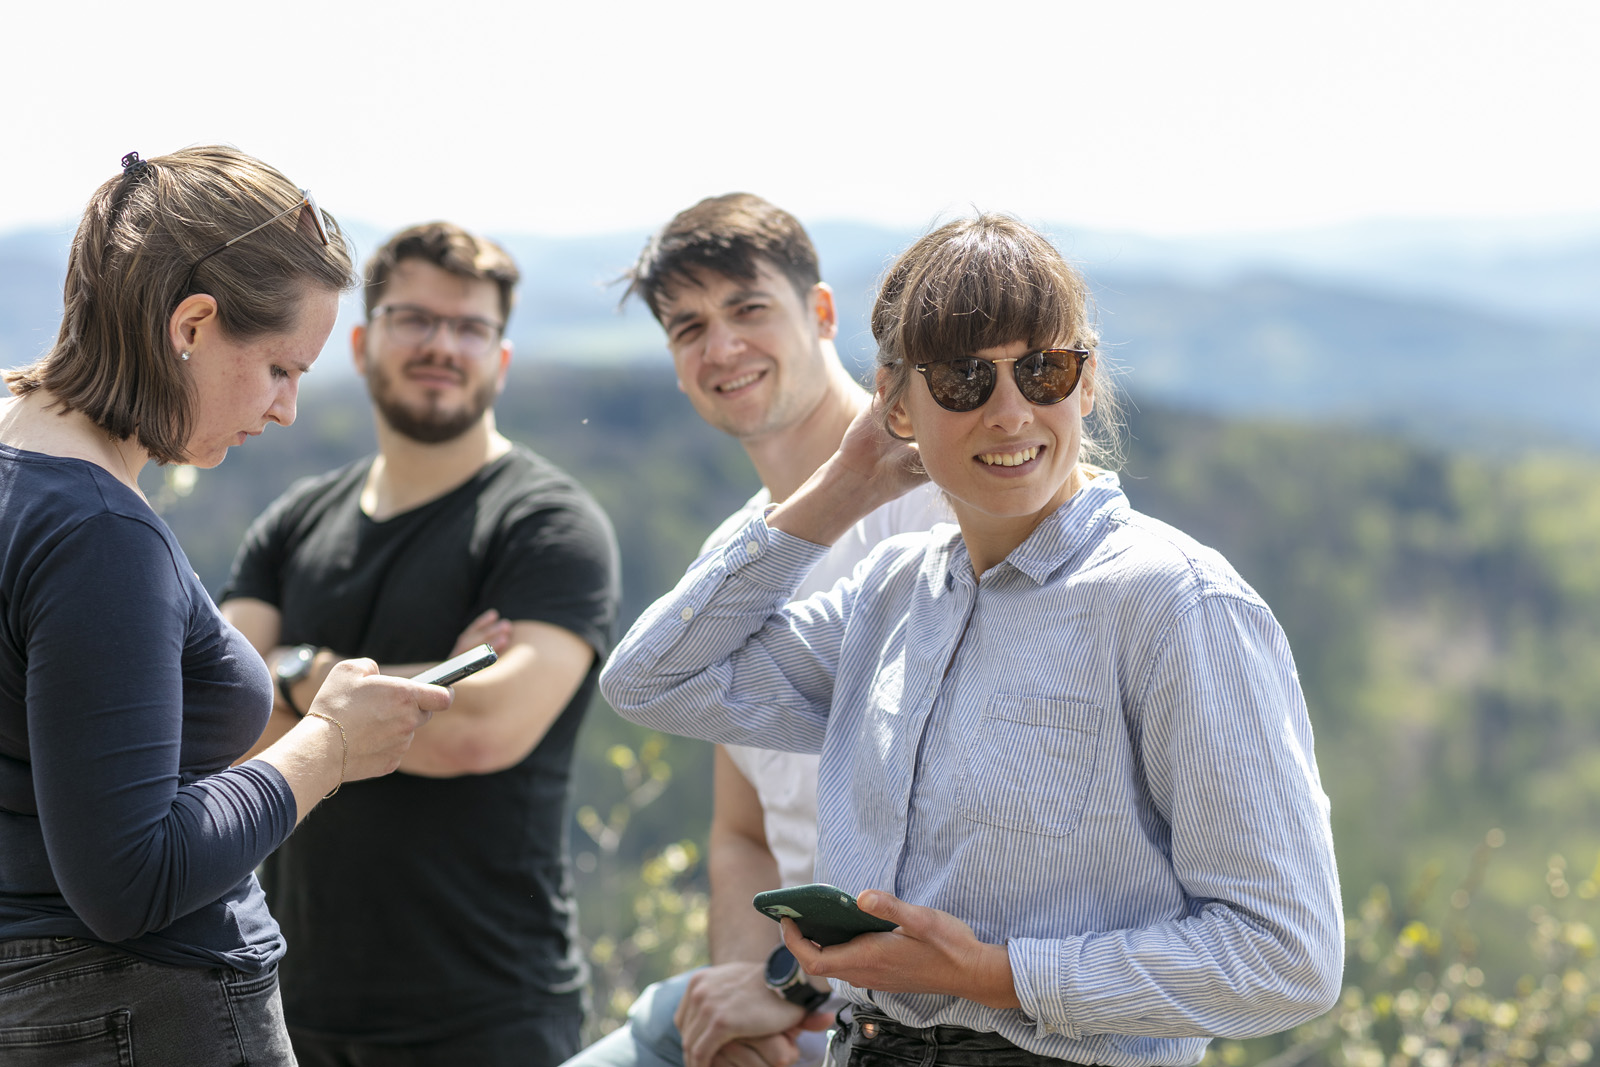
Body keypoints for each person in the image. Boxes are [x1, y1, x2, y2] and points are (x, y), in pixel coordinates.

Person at [599, 214, 1344, 1066]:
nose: (1012, 412)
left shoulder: (1176, 604)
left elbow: (1289, 955)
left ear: (1086, 382)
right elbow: (650, 681)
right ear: (895, 402)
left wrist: (998, 975)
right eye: (962, 379)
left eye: (1044, 369)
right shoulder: (889, 593)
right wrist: (844, 485)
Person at [0, 147, 449, 1066]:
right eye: (281, 367)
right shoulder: (100, 534)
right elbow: (130, 879)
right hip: (149, 1009)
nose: (287, 409)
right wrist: (329, 746)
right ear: (193, 324)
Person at [219, 220, 620, 1066]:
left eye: (470, 326)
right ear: (362, 345)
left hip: (487, 1015)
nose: (442, 344)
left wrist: (293, 672)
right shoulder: (293, 523)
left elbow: (485, 727)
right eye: (415, 319)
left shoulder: (546, 525)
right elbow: (216, 723)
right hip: (286, 1004)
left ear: (499, 359)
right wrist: (417, 691)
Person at [563, 194, 945, 1067]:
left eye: (748, 308)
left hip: (901, 1012)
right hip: (784, 1005)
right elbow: (742, 833)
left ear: (822, 312)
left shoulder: (932, 500)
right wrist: (747, 998)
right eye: (689, 327)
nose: (722, 347)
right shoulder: (731, 561)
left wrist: (789, 987)